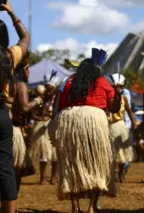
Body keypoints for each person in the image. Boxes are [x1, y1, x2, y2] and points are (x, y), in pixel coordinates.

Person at [51, 49, 121, 213]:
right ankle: (91, 208)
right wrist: (117, 95)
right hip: (94, 120)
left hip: (70, 120)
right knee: (97, 163)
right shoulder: (101, 81)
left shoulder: (68, 82)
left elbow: (59, 106)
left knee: (73, 162)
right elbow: (113, 107)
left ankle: (75, 207)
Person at [0, 0, 30, 213]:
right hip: (1, 115)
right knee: (4, 165)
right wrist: (11, 12)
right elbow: (25, 38)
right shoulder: (9, 56)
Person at [11, 60, 43, 194]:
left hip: (8, 126)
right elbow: (24, 107)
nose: (29, 72)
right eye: (28, 69)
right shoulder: (20, 84)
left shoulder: (6, 84)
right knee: (16, 169)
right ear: (24, 70)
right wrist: (37, 100)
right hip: (13, 130)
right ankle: (9, 206)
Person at [29, 71, 61, 185]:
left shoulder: (58, 98)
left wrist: (51, 115)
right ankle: (42, 178)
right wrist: (39, 117)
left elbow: (59, 111)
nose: (48, 91)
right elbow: (31, 112)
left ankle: (54, 177)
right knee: (44, 153)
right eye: (46, 89)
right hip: (41, 128)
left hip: (54, 125)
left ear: (55, 89)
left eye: (50, 89)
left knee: (55, 153)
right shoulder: (39, 99)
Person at [107, 73, 136, 183]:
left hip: (120, 125)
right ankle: (113, 174)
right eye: (115, 86)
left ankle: (121, 174)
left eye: (119, 86)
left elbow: (129, 110)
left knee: (123, 153)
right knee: (112, 152)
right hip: (109, 126)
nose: (117, 88)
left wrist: (133, 122)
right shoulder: (107, 98)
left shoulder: (124, 98)